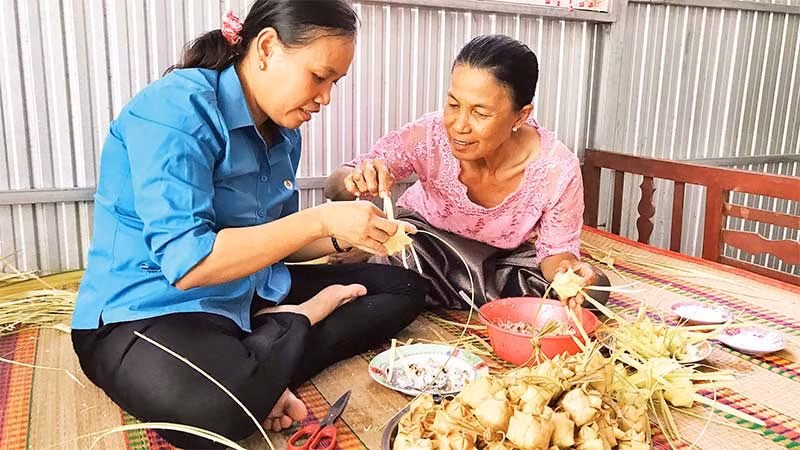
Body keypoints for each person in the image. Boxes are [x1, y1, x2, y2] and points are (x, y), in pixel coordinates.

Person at [70, 1, 427, 448]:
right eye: (319, 76)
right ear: (266, 47)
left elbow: (276, 239)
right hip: (148, 309)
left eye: (336, 82)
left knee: (403, 289)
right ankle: (291, 329)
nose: (326, 98)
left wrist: (341, 236)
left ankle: (262, 354)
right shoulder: (176, 109)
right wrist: (319, 219)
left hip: (245, 291)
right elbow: (189, 264)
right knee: (220, 413)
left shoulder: (282, 130)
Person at [325, 34, 609, 311]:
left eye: (480, 113)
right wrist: (353, 179)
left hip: (495, 264)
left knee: (594, 291)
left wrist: (570, 273)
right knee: (393, 260)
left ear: (521, 116)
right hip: (425, 247)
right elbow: (333, 188)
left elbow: (555, 254)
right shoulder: (430, 136)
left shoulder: (556, 168)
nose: (459, 125)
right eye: (453, 104)